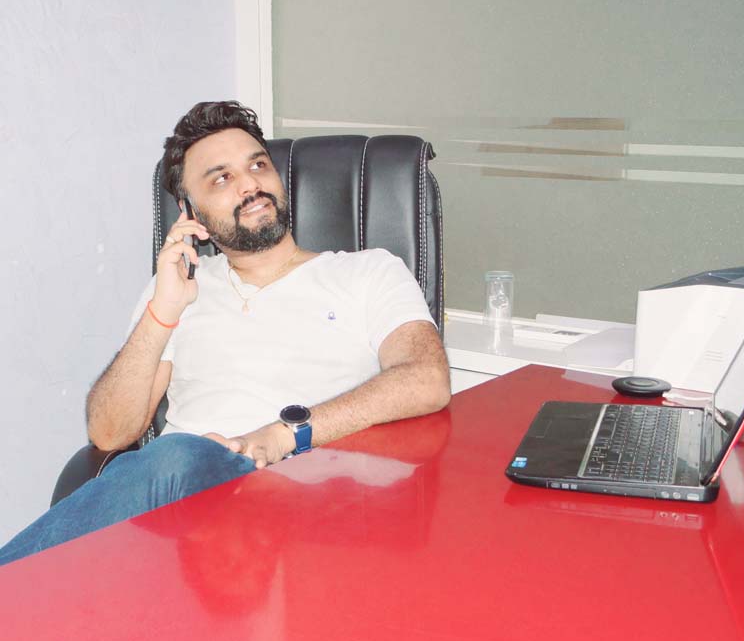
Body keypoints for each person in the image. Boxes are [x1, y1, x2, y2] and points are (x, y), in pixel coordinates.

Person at [0, 101, 450, 566]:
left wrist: (284, 435)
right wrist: (163, 311)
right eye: (222, 178)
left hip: (310, 497)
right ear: (190, 212)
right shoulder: (177, 288)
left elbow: (426, 379)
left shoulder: (368, 272)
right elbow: (110, 432)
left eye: (258, 166)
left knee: (177, 457)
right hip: (186, 516)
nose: (250, 184)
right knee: (175, 463)